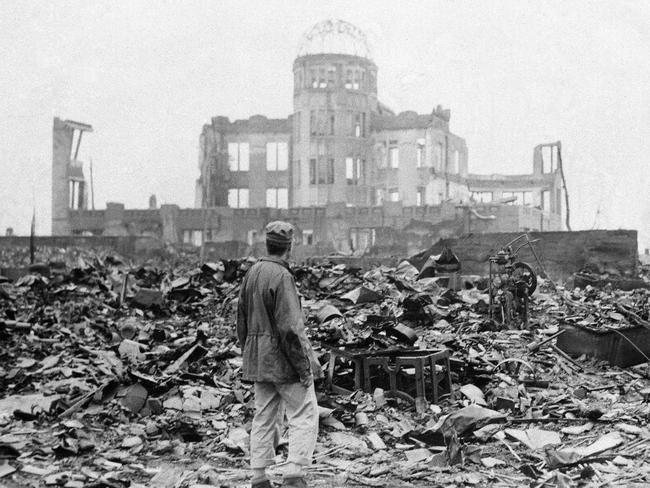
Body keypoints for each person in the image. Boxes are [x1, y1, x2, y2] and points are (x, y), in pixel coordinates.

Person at [237, 221, 320, 488]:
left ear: (268, 244)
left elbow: (241, 321)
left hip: (259, 360)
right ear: (289, 247)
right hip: (283, 361)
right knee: (305, 412)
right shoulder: (282, 277)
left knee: (264, 415)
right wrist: (304, 366)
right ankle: (294, 473)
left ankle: (259, 476)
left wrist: (249, 353)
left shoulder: (252, 272)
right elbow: (290, 328)